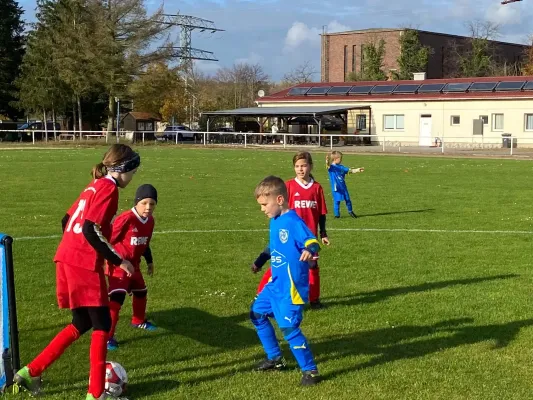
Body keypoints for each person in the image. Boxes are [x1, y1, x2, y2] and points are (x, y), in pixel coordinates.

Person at [14, 144, 140, 400]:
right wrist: (118, 260)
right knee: (102, 324)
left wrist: (74, 250)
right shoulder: (109, 188)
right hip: (82, 264)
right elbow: (90, 229)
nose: (133, 176)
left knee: (81, 323)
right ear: (122, 169)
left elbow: (66, 220)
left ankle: (30, 372)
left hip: (66, 259)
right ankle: (96, 395)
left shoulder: (93, 186)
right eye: (133, 171)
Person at [250, 176, 321, 386]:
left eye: (264, 204)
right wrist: (260, 261)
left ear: (279, 199)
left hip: (291, 289)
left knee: (289, 329)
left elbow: (312, 241)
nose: (262, 209)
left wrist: (309, 250)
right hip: (275, 284)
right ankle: (275, 359)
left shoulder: (293, 221)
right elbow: (272, 247)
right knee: (256, 314)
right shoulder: (275, 220)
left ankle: (311, 371)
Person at [254, 152, 329, 309]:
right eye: (297, 166)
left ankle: (314, 299)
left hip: (308, 237)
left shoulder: (316, 188)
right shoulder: (288, 186)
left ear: (311, 166)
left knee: (312, 266)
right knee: (280, 262)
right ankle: (262, 294)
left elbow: (321, 212)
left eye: (303, 165)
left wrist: (323, 233)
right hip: (288, 235)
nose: (300, 169)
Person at [106, 184, 158, 351]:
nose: (148, 207)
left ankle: (138, 321)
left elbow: (144, 243)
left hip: (134, 266)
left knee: (141, 292)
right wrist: (115, 260)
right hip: (119, 265)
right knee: (117, 299)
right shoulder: (126, 219)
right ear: (136, 202)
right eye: (144, 203)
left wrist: (149, 261)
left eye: (152, 204)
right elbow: (107, 240)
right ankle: (107, 337)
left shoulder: (150, 221)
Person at [326, 151, 364, 218]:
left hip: (343, 187)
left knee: (347, 199)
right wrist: (327, 161)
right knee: (337, 201)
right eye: (340, 159)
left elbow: (349, 170)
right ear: (335, 159)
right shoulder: (331, 168)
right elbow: (328, 166)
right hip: (336, 188)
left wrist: (357, 170)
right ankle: (337, 215)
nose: (341, 160)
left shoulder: (341, 167)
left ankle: (350, 211)